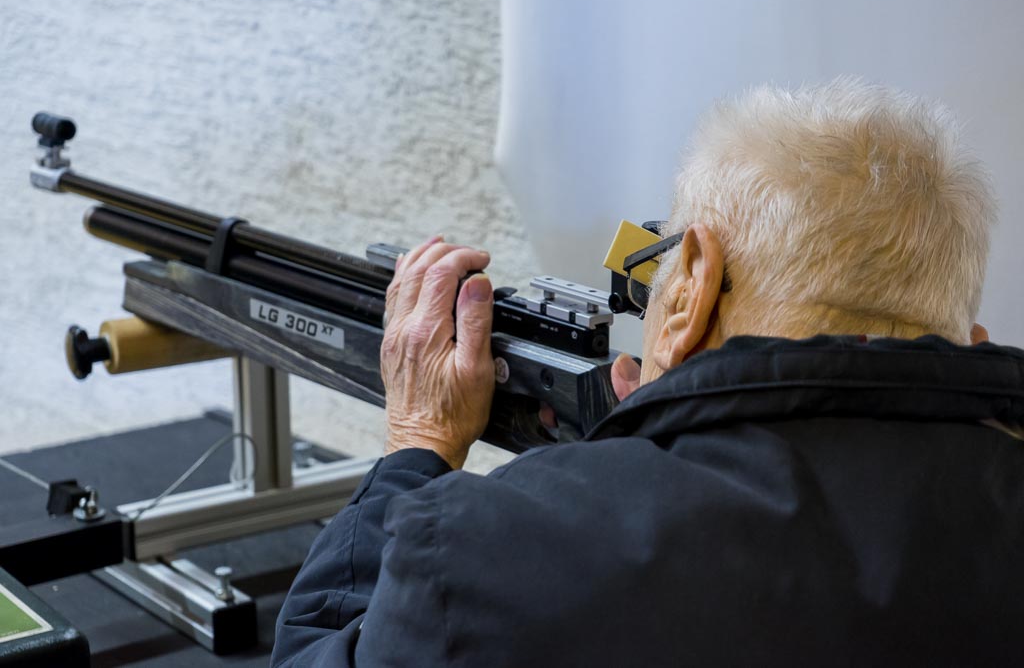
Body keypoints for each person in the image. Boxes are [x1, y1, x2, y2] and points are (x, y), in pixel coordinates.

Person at [271, 78, 1024, 667]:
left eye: (656, 270)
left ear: (692, 286)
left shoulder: (479, 547)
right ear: (966, 335)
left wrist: (418, 442)